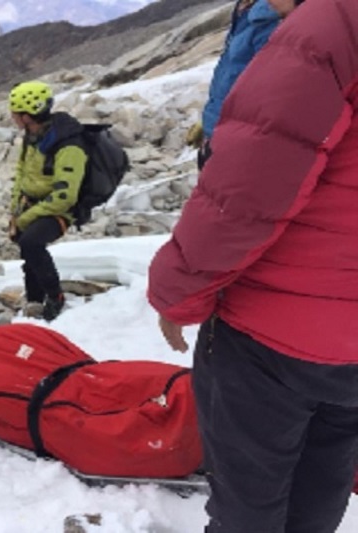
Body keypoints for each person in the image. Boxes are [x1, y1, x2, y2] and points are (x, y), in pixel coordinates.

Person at [148, 1, 358, 532]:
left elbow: (246, 195)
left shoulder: (331, 24)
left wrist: (177, 295)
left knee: (248, 507)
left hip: (271, 338)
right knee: (322, 486)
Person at [8, 80, 87, 321]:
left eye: (15, 113)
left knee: (32, 243)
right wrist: (15, 210)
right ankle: (34, 299)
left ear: (27, 116)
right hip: (32, 204)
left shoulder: (69, 145)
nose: (12, 117)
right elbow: (22, 173)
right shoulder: (32, 136)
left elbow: (65, 196)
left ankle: (55, 296)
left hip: (58, 209)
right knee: (27, 249)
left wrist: (25, 219)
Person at [190, 0, 280, 169]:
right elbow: (230, 74)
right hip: (218, 127)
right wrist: (209, 120)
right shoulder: (243, 11)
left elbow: (266, 89)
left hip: (235, 136)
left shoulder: (268, 18)